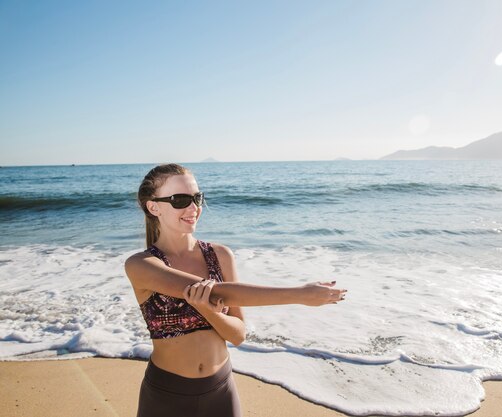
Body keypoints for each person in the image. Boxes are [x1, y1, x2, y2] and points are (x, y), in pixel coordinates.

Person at [125, 163, 347, 417]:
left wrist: (209, 312)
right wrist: (299, 294)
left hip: (220, 391)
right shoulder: (141, 264)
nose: (193, 208)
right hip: (167, 396)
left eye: (197, 198)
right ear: (153, 207)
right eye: (180, 199)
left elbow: (238, 335)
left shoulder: (220, 255)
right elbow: (218, 293)